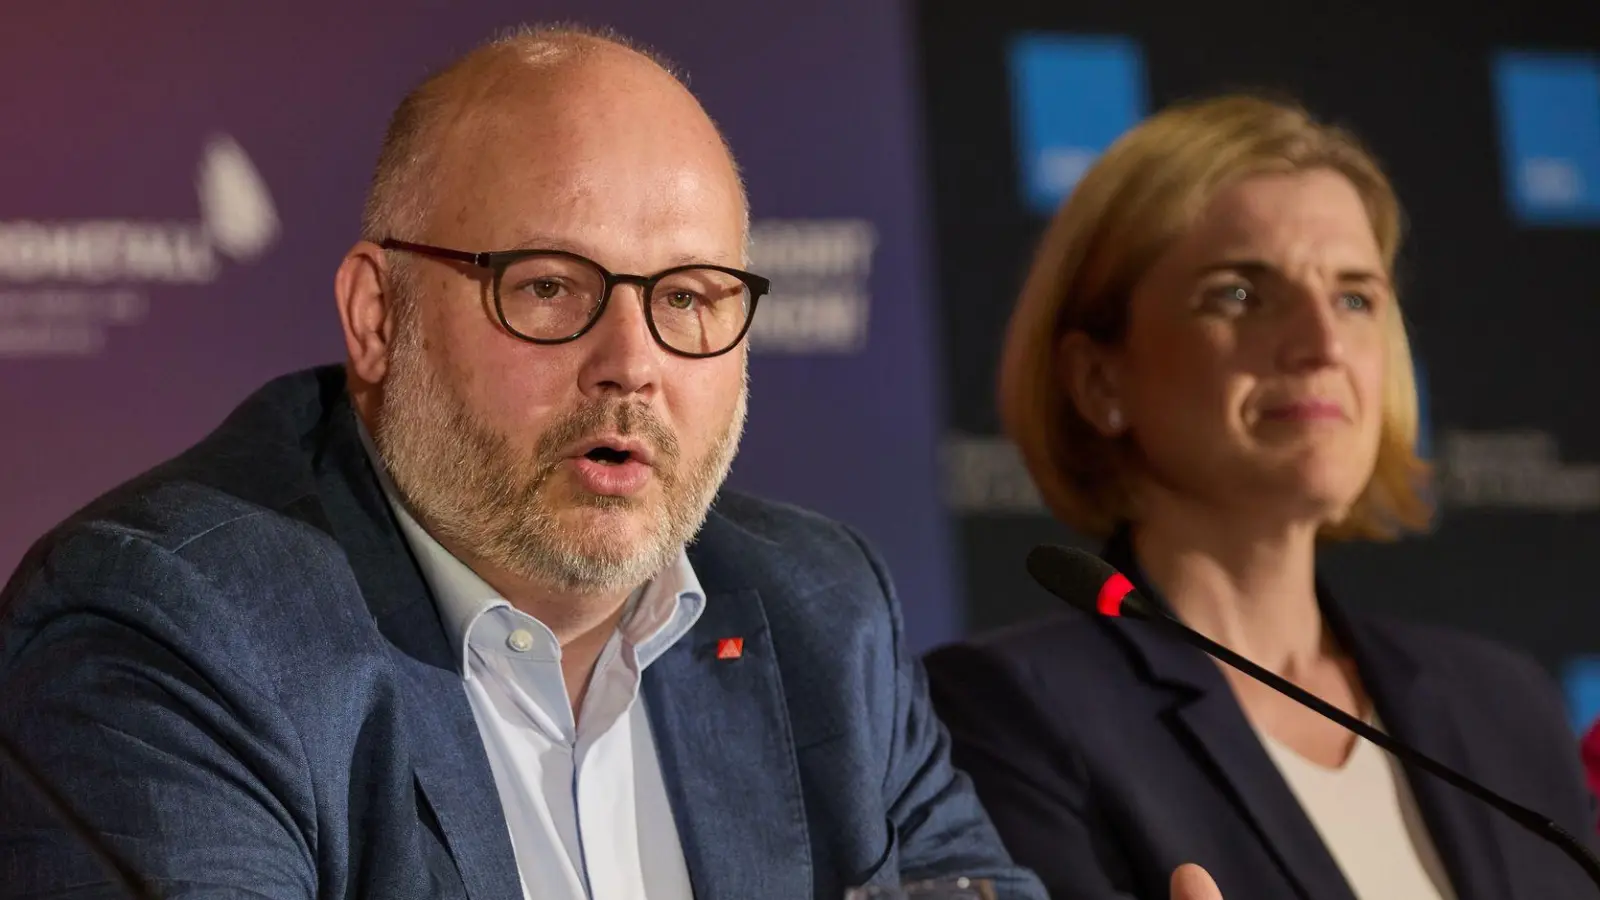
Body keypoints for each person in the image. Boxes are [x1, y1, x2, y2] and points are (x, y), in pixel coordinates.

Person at [0, 25, 1044, 900]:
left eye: (685, 297)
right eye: (547, 287)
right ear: (377, 317)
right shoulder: (169, 629)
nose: (629, 364)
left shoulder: (823, 611)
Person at [924, 94, 1598, 899]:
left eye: (1355, 297)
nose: (1321, 345)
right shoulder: (1009, 713)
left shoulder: (1503, 702)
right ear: (1100, 378)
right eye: (1240, 293)